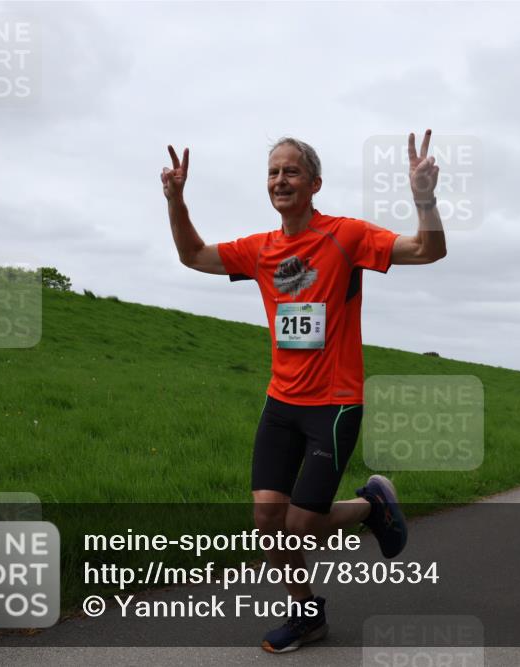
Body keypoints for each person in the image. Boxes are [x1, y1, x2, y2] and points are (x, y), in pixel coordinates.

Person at [162, 131, 447, 653]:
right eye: (273, 172)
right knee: (268, 519)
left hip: (334, 405)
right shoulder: (261, 250)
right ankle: (306, 614)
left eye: (291, 171)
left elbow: (429, 250)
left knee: (300, 527)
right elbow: (193, 255)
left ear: (314, 183)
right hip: (281, 402)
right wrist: (176, 201)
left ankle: (370, 506)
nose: (280, 180)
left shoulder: (347, 236)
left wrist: (424, 197)